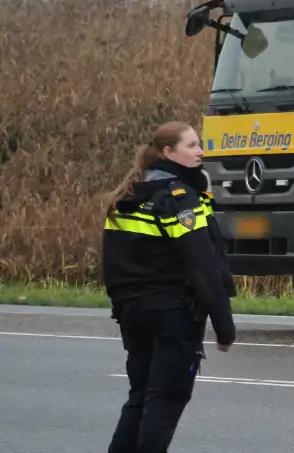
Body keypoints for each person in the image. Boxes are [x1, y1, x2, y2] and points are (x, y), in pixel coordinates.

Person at [100, 121, 237, 453]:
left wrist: (125, 308)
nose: (200, 151)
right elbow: (201, 264)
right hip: (173, 314)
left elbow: (112, 263)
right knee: (165, 400)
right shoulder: (178, 198)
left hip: (133, 313)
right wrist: (224, 325)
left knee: (141, 396)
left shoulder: (129, 194)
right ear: (168, 152)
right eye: (191, 145)